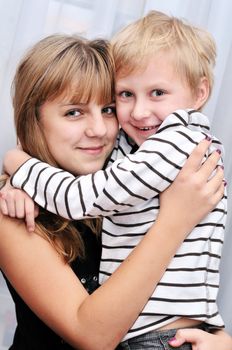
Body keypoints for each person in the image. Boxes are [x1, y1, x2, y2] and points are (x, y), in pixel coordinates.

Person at [2, 11, 230, 349]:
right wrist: (176, 220)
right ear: (33, 118)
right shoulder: (16, 216)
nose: (99, 129)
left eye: (108, 109)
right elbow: (93, 338)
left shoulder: (127, 169)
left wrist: (221, 340)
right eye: (74, 112)